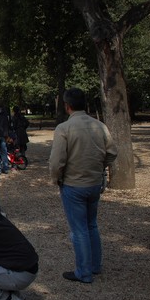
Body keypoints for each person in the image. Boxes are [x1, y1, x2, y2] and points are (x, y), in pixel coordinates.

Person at [49, 87, 117, 283]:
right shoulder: (100, 126)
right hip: (94, 182)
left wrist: (56, 178)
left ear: (67, 106)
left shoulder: (64, 128)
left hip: (73, 184)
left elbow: (57, 161)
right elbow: (112, 152)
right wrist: (100, 166)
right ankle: (95, 265)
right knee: (91, 225)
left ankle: (84, 272)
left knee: (78, 229)